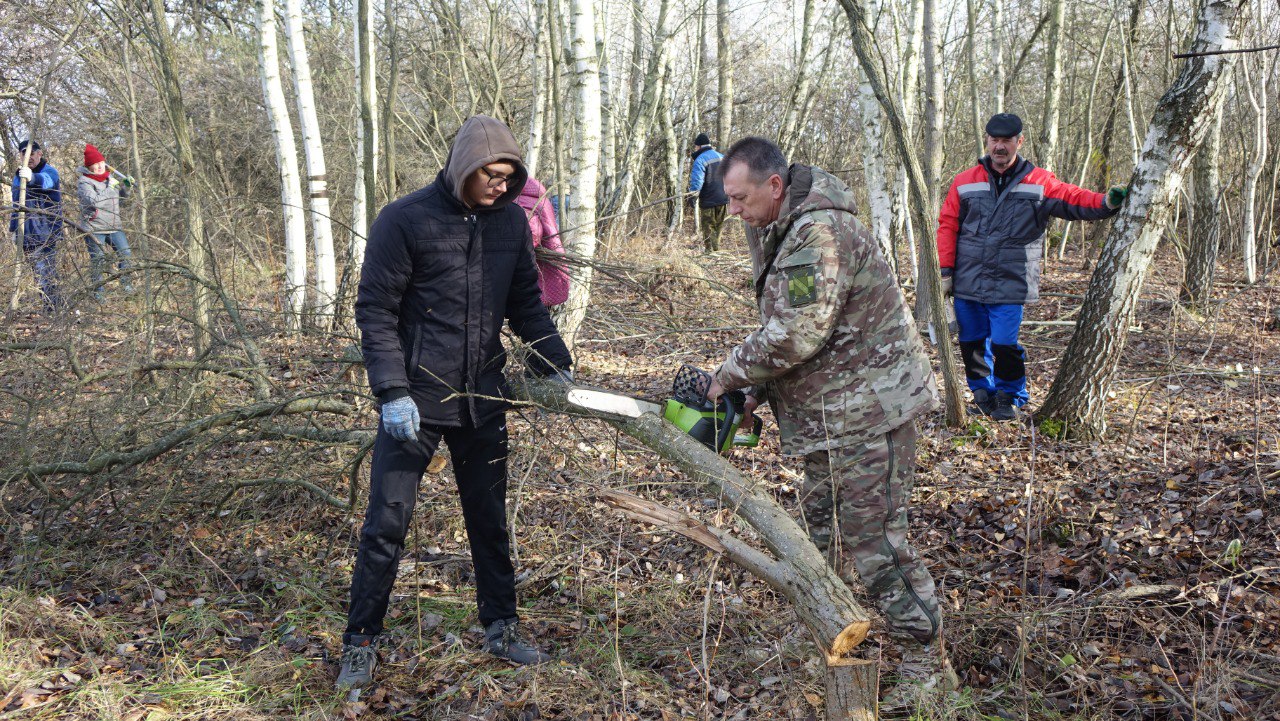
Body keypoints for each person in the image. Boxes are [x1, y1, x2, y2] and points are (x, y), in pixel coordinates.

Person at [704, 137, 952, 700]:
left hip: (870, 412)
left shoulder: (818, 234)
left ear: (774, 186)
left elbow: (797, 332)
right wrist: (754, 395)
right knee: (824, 540)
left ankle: (924, 669)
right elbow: (799, 328)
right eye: (729, 201)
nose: (734, 211)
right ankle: (836, 640)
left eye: (741, 199)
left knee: (876, 545)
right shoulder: (777, 228)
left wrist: (730, 375)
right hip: (825, 414)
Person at [339, 115, 573, 689]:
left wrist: (554, 359)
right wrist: (392, 391)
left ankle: (501, 627)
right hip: (414, 402)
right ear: (464, 166)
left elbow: (525, 301)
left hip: (482, 398)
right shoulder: (405, 219)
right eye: (490, 174)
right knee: (385, 525)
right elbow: (375, 309)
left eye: (509, 176)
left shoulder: (510, 226)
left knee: (489, 522)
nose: (499, 185)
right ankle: (361, 641)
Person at [937, 113, 1128, 421]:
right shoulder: (964, 182)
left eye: (1006, 141)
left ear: (1018, 142)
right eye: (994, 140)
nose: (999, 147)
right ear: (986, 140)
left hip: (1011, 281)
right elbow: (947, 225)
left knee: (1004, 343)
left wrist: (1107, 202)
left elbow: (1073, 199)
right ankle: (982, 392)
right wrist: (945, 271)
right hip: (967, 278)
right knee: (971, 340)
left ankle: (1010, 395)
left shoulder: (1039, 181)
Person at [9, 140, 63, 310]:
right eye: (24, 153)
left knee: (46, 273)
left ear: (40, 154)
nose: (28, 157)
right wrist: (13, 229)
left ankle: (54, 309)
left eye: (31, 153)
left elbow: (47, 182)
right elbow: (16, 204)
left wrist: (32, 178)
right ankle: (50, 307)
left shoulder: (50, 172)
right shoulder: (18, 176)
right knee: (38, 275)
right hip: (26, 233)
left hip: (46, 233)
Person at [76, 143, 135, 299]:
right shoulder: (84, 183)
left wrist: (126, 188)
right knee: (98, 260)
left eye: (101, 163)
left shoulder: (110, 178)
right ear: (89, 167)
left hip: (114, 226)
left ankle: (126, 285)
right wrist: (111, 188)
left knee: (126, 254)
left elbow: (120, 199)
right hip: (95, 228)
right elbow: (94, 202)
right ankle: (98, 292)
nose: (100, 167)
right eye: (95, 164)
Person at [514, 176, 570, 307]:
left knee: (532, 313)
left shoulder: (520, 200)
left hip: (538, 270)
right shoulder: (538, 196)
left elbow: (531, 233)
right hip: (549, 263)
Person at [688, 132, 729, 252]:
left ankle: (710, 252)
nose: (695, 148)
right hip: (723, 197)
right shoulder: (722, 157)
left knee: (708, 226)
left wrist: (693, 196)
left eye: (696, 146)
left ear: (699, 146)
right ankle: (716, 249)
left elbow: (697, 180)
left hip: (708, 198)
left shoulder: (700, 160)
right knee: (718, 225)